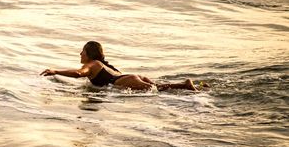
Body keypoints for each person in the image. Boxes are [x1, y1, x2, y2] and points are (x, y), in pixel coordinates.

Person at [40, 41, 201, 91]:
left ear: (89, 54)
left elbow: (78, 73)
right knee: (159, 88)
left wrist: (55, 71)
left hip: (125, 81)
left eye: (82, 51)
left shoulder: (92, 64)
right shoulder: (101, 64)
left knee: (158, 92)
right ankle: (191, 86)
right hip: (130, 77)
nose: (80, 54)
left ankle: (186, 85)